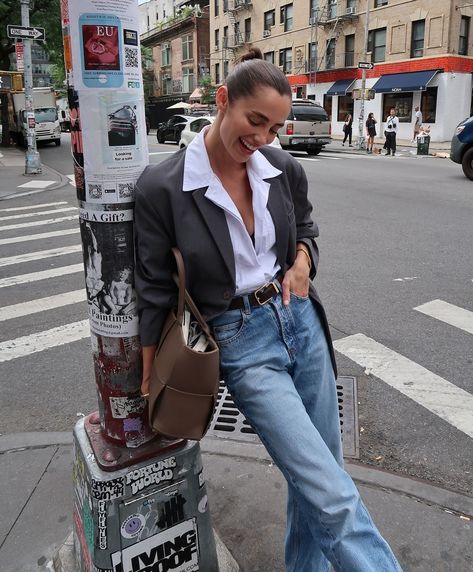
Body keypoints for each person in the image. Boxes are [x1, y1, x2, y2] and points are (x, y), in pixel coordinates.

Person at [134, 47, 403, 572]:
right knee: (329, 490)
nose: (262, 138)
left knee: (324, 472)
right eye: (254, 120)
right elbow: (153, 290)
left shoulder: (280, 167)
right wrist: (149, 372)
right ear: (222, 101)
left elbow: (306, 230)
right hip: (240, 342)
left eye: (275, 127)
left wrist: (302, 260)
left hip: (298, 318)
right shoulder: (163, 187)